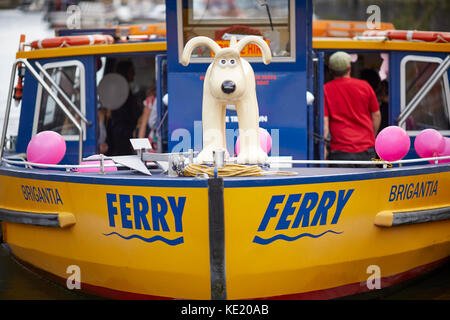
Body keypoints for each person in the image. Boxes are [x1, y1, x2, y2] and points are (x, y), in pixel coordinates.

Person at [323, 51, 381, 167]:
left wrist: (324, 148)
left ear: (330, 70)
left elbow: (325, 123)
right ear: (349, 68)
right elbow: (376, 115)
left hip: (340, 152)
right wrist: (371, 137)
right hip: (366, 150)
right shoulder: (365, 86)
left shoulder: (326, 89)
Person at [106, 61, 142, 156]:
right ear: (125, 72)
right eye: (131, 71)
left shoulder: (125, 90)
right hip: (121, 130)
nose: (134, 74)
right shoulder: (119, 91)